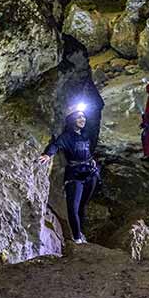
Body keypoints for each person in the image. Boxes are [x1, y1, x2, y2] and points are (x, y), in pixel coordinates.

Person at [38, 103, 100, 244]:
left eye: (83, 117)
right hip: (74, 174)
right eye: (79, 117)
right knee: (73, 207)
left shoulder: (86, 134)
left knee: (83, 205)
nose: (82, 119)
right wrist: (48, 155)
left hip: (90, 173)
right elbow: (56, 144)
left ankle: (81, 232)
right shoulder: (66, 137)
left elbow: (89, 149)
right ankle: (77, 238)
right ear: (72, 119)